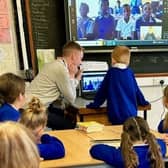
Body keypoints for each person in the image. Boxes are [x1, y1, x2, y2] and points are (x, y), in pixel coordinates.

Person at [26, 41, 84, 130]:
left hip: (35, 106)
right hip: (34, 110)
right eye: (80, 58)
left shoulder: (55, 64)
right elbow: (71, 98)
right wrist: (73, 75)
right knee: (69, 125)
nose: (80, 62)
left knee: (63, 114)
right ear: (73, 57)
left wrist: (75, 78)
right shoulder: (61, 69)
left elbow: (66, 91)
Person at [87, 46, 149, 125]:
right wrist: (143, 102)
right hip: (131, 115)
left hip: (116, 115)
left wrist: (94, 105)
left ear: (113, 59)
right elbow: (137, 91)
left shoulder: (111, 73)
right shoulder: (130, 73)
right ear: (128, 61)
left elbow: (102, 92)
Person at [90, 116, 166, 168]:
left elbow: (95, 149)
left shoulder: (121, 155)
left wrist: (118, 148)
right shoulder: (160, 147)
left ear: (125, 135)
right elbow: (159, 141)